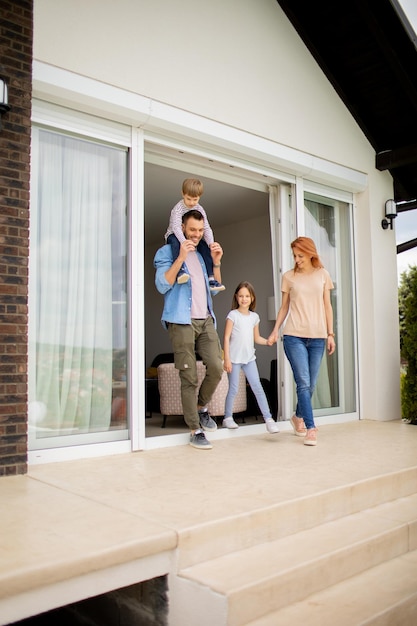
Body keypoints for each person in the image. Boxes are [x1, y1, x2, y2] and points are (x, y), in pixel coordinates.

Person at [154, 209, 224, 450]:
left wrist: (216, 263)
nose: (196, 235)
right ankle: (195, 430)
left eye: (200, 231)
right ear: (182, 228)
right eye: (192, 230)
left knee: (216, 366)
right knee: (189, 377)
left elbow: (214, 286)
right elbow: (162, 284)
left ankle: (200, 407)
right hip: (181, 320)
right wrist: (181, 256)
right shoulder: (167, 251)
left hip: (205, 318)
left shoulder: (203, 254)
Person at [268, 237, 336, 446]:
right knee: (303, 382)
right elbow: (284, 307)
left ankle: (297, 417)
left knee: (311, 383)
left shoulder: (322, 275)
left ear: (310, 253)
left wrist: (330, 334)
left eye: (300, 255)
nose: (297, 259)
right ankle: (311, 427)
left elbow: (327, 306)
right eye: (294, 256)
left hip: (318, 337)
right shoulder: (289, 277)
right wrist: (274, 331)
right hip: (293, 335)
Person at [223, 281, 279, 433]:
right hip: (234, 359)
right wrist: (226, 358)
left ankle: (268, 419)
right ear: (236, 297)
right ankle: (228, 417)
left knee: (258, 388)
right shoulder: (232, 315)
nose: (244, 299)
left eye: (247, 296)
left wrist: (267, 341)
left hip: (249, 359)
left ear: (252, 298)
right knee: (233, 389)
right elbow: (226, 337)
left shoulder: (255, 317)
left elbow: (257, 338)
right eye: (241, 296)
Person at [164, 178, 225, 292]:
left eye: (195, 199)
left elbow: (206, 227)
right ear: (183, 194)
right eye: (189, 199)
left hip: (186, 239)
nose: (192, 203)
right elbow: (176, 228)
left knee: (205, 247)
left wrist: (211, 243)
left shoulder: (200, 209)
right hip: (174, 234)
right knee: (175, 243)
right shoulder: (177, 209)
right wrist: (184, 242)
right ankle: (180, 271)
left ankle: (211, 278)